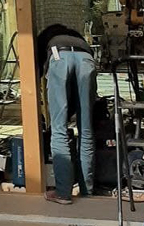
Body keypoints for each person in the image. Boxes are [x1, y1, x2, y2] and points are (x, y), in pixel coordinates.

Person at [37, 23, 97, 205]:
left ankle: (63, 193)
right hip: (86, 58)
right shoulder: (76, 36)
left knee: (59, 129)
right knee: (86, 129)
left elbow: (36, 73)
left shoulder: (44, 41)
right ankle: (87, 191)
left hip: (59, 56)